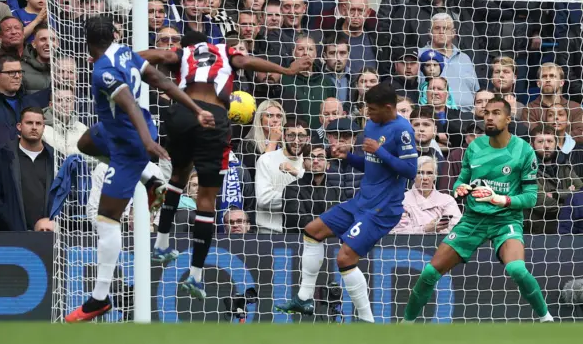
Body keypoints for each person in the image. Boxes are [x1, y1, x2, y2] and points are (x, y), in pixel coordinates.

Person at [137, 30, 310, 299]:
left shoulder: (183, 53)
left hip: (181, 114)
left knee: (178, 179)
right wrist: (286, 69)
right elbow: (246, 62)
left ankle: (160, 244)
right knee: (206, 200)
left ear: (187, 45)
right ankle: (195, 276)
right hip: (212, 117)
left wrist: (122, 59)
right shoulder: (224, 52)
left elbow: (160, 54)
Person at [65, 15, 216, 322]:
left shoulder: (103, 69)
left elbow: (130, 104)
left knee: (107, 219)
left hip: (129, 144)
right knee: (84, 143)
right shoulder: (122, 52)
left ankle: (99, 299)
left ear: (87, 43)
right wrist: (198, 109)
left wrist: (147, 144)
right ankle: (151, 181)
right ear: (113, 35)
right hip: (115, 132)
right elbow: (160, 80)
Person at [402, 95, 554, 323]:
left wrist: (500, 200)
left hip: (506, 221)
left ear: (508, 118)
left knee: (518, 271)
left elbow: (531, 198)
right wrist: (461, 188)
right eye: (487, 113)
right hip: (472, 221)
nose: (489, 118)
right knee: (429, 273)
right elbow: (459, 182)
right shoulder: (474, 147)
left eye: (496, 113)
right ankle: (405, 325)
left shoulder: (524, 151)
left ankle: (547, 320)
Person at [275, 83, 418, 322]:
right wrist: (349, 157)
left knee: (345, 258)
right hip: (362, 200)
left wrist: (380, 151)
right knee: (312, 231)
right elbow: (373, 165)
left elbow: (410, 171)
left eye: (372, 109)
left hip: (382, 208)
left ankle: (366, 321)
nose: (367, 113)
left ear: (388, 107)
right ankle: (304, 298)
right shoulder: (372, 125)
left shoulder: (403, 130)